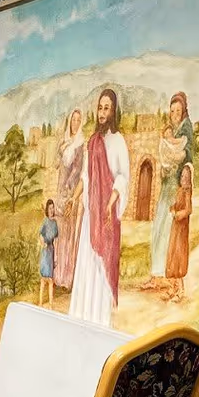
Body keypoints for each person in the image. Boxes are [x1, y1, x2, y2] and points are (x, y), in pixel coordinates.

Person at [69, 87, 129, 327]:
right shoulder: (93, 142)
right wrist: (75, 198)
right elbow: (86, 176)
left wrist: (110, 203)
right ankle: (81, 317)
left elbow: (123, 177)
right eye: (100, 108)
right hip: (90, 217)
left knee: (102, 267)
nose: (102, 113)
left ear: (113, 112)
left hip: (106, 217)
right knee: (87, 265)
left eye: (107, 108)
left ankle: (99, 321)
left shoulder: (118, 141)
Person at [145, 91, 192, 290]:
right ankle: (156, 275)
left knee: (168, 231)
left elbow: (185, 157)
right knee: (158, 227)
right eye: (172, 111)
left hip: (176, 190)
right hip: (167, 186)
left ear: (183, 112)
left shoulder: (186, 130)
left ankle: (168, 276)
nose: (174, 114)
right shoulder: (171, 131)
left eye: (178, 111)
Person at [52, 107, 87, 290]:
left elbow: (78, 169)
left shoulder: (80, 144)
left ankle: (66, 277)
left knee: (68, 232)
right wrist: (60, 150)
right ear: (69, 121)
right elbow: (56, 165)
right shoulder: (64, 141)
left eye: (78, 120)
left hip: (70, 191)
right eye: (73, 119)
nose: (75, 123)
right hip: (60, 191)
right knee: (59, 231)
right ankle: (56, 276)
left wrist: (68, 188)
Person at [164, 160, 193, 301]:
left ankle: (180, 289)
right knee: (172, 254)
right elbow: (175, 204)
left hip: (182, 228)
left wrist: (178, 214)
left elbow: (188, 209)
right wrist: (172, 208)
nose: (184, 179)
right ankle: (173, 287)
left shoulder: (187, 192)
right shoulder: (179, 190)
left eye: (186, 177)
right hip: (175, 228)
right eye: (182, 176)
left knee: (179, 255)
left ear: (190, 179)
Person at [37, 198, 60, 306]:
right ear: (47, 209)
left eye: (53, 208)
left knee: (51, 280)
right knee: (43, 279)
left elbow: (56, 239)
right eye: (50, 208)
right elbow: (40, 234)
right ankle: (40, 303)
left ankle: (50, 305)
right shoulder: (45, 221)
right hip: (45, 252)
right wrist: (43, 243)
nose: (51, 210)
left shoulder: (55, 223)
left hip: (51, 251)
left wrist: (56, 257)